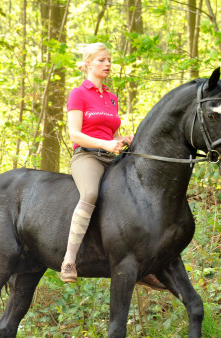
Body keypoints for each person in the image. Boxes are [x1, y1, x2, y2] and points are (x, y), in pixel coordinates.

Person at [60, 43, 133, 283]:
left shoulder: (112, 98)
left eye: (110, 60)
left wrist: (122, 139)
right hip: (87, 156)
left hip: (110, 156)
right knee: (90, 193)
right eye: (102, 60)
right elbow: (75, 134)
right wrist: (105, 144)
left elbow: (109, 135)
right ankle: (69, 261)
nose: (108, 64)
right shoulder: (78, 94)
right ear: (89, 63)